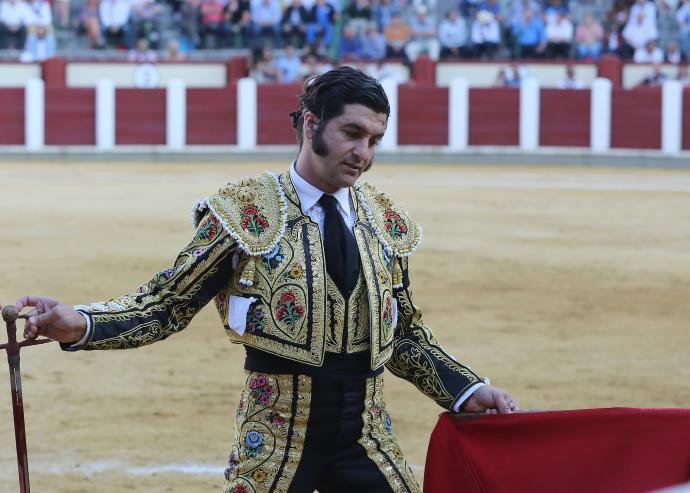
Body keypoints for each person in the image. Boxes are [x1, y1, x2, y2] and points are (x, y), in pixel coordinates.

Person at [16, 66, 518, 493]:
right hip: (274, 436)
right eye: (352, 133)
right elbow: (167, 304)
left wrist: (465, 389)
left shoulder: (385, 222)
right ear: (310, 123)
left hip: (366, 433)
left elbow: (403, 334)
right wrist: (81, 323)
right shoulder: (243, 212)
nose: (363, 153)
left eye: (374, 140)